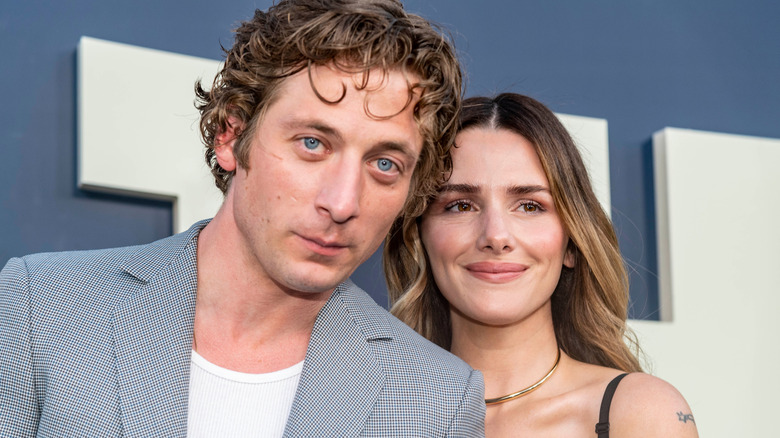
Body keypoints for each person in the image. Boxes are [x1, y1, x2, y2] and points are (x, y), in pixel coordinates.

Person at [0, 1, 487, 436]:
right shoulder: (39, 307)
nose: (342, 203)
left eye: (385, 164)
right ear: (232, 136)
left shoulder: (437, 400)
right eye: (312, 144)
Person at [385, 93, 698, 437]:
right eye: (461, 205)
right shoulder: (378, 415)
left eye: (530, 206)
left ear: (572, 244)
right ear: (419, 236)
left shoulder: (638, 412)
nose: (496, 235)